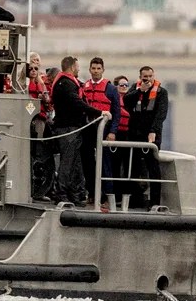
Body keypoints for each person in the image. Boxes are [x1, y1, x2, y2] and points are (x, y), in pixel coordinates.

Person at [51, 56, 109, 206]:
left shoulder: (69, 83)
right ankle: (61, 192)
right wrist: (98, 112)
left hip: (74, 128)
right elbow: (77, 102)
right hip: (68, 128)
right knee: (67, 162)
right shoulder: (66, 84)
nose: (79, 69)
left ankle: (74, 193)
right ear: (71, 67)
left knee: (75, 163)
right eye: (77, 66)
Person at [122, 66, 169, 208]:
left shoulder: (161, 92)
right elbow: (126, 102)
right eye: (145, 77)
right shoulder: (134, 90)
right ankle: (135, 199)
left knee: (153, 167)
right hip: (135, 134)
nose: (147, 79)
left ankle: (155, 202)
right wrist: (139, 91)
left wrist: (153, 131)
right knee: (133, 167)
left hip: (152, 136)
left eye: (150, 76)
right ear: (140, 77)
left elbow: (161, 114)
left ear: (153, 76)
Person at [82, 57, 121, 207]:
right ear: (90, 69)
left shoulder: (110, 89)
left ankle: (107, 197)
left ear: (103, 70)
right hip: (88, 129)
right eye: (93, 68)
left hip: (104, 130)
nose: (96, 71)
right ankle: (92, 193)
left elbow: (116, 112)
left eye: (98, 68)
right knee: (88, 162)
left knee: (105, 163)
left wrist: (113, 131)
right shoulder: (84, 86)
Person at [27, 53, 55, 202]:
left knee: (38, 152)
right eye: (30, 67)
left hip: (39, 120)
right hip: (25, 120)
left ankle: (39, 188)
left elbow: (48, 103)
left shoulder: (41, 84)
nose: (33, 70)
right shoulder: (22, 84)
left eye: (36, 68)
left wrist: (44, 99)